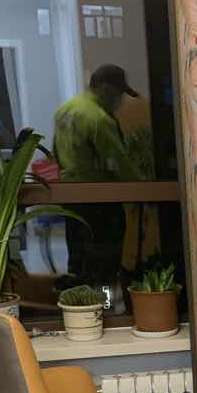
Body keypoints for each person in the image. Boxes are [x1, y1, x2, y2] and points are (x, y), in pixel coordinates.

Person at [53, 65, 139, 283]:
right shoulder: (99, 119)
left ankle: (78, 300)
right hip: (100, 203)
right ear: (105, 88)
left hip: (71, 201)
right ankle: (105, 301)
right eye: (119, 94)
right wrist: (144, 187)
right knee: (104, 266)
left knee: (78, 260)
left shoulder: (64, 110)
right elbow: (118, 162)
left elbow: (56, 153)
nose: (120, 101)